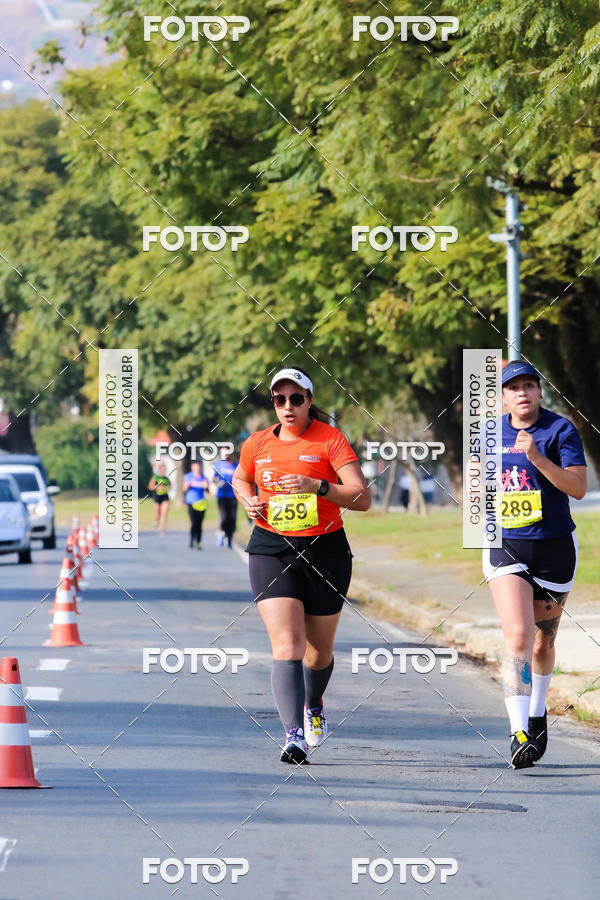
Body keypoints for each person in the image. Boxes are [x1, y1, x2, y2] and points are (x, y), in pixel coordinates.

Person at [232, 366, 371, 764]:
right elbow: (241, 478)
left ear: (310, 400)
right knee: (288, 645)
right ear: (272, 404)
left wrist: (318, 486)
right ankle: (294, 736)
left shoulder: (330, 440)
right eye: (280, 400)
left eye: (296, 398)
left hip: (325, 551)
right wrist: (247, 499)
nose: (288, 406)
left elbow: (362, 498)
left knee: (318, 653)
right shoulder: (257, 443)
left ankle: (314, 705)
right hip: (270, 548)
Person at [483, 360, 586, 769]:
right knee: (518, 635)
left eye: (529, 385)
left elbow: (577, 488)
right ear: (503, 397)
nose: (522, 393)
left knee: (544, 641)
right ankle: (519, 732)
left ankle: (538, 711)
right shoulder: (489, 434)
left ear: (540, 392)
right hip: (507, 546)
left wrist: (538, 458)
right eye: (514, 387)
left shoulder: (560, 431)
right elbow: (478, 489)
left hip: (555, 547)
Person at [213, 448, 238, 548]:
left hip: (233, 496)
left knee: (232, 518)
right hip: (222, 495)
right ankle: (222, 533)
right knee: (224, 517)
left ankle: (230, 539)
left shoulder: (236, 465)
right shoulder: (218, 465)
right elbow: (214, 478)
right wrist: (218, 483)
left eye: (228, 453)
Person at [183, 461, 209, 549]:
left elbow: (207, 491)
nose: (197, 468)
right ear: (192, 467)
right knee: (194, 523)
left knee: (199, 524)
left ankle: (198, 542)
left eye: (198, 466)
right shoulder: (188, 477)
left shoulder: (204, 478)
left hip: (201, 504)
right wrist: (187, 486)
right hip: (191, 503)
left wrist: (206, 487)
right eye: (195, 466)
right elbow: (184, 489)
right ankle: (192, 539)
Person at [148, 461, 171, 535]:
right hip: (156, 497)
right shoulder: (155, 477)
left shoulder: (167, 479)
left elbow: (170, 486)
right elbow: (150, 487)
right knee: (158, 513)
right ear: (160, 470)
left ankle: (162, 529)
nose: (163, 471)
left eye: (164, 470)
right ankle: (156, 521)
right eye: (162, 469)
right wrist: (157, 487)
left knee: (164, 513)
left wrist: (168, 487)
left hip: (165, 497)